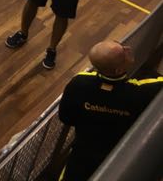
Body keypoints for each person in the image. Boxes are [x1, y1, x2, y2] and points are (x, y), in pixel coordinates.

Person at [58, 39, 162, 181]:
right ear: (118, 70)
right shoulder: (142, 91)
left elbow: (66, 117)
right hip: (120, 158)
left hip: (82, 155)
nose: (127, 49)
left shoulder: (79, 82)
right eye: (123, 52)